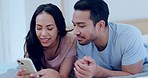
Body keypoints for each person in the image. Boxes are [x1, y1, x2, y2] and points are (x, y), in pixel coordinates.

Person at [72, 0, 148, 78]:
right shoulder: (81, 40)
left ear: (100, 25)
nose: (75, 32)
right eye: (74, 25)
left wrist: (99, 72)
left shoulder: (129, 35)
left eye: (81, 26)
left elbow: (132, 74)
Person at [17, 3, 76, 78]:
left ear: (58, 28)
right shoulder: (32, 40)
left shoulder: (70, 41)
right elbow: (32, 72)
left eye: (49, 28)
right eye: (39, 28)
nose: (43, 34)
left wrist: (54, 75)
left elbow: (63, 76)